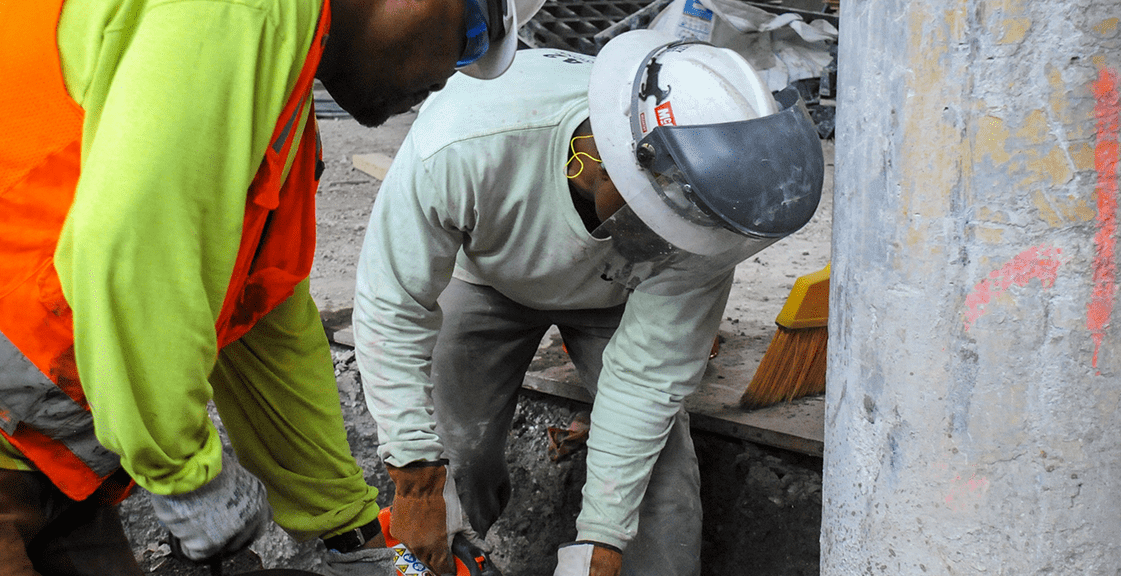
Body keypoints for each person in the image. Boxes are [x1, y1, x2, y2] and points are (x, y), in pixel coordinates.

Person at [0, 0, 541, 572]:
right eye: (469, 35)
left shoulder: (279, 112)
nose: (448, 78)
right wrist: (189, 482)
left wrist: (346, 529)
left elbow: (262, 328)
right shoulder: (247, 12)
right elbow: (131, 251)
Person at [352, 30, 825, 576]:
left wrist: (601, 542)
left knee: (661, 495)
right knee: (457, 456)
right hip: (485, 275)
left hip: (620, 294)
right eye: (659, 217)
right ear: (601, 161)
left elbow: (647, 381)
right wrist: (416, 478)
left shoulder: (709, 210)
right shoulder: (467, 141)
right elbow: (392, 303)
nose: (677, 235)